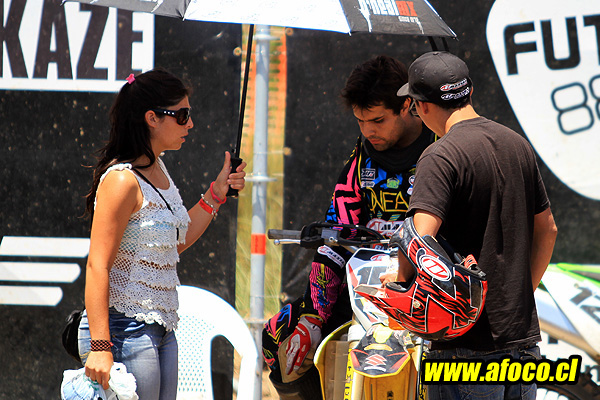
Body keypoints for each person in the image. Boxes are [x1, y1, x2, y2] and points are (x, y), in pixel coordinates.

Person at [262, 55, 436, 399]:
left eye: (378, 120)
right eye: (360, 121)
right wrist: (312, 319)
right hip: (361, 289)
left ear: (406, 106)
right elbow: (334, 237)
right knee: (277, 336)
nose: (368, 131)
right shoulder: (360, 160)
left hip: (423, 289)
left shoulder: (439, 149)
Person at [394, 51, 558, 399]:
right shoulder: (517, 145)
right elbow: (548, 230)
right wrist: (517, 295)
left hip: (464, 346)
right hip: (522, 342)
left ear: (422, 106)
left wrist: (398, 281)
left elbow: (419, 241)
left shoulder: (440, 155)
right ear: (470, 92)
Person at [78, 69, 247, 400]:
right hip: (123, 330)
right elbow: (98, 265)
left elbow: (170, 246)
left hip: (162, 327)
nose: (190, 124)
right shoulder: (122, 180)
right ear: (152, 118)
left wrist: (216, 194)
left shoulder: (158, 169)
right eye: (182, 115)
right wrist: (100, 346)